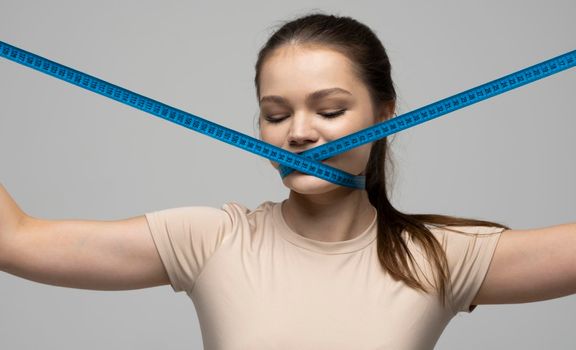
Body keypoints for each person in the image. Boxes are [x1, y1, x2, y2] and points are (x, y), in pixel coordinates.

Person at [1, 12, 574, 350]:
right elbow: (15, 240)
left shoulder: (440, 256)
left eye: (329, 111)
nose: (298, 132)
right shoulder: (210, 240)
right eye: (276, 115)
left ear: (385, 114)